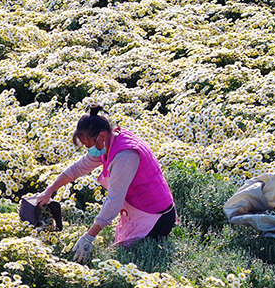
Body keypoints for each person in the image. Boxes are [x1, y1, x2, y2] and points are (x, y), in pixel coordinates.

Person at [24, 104, 177, 263]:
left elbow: (114, 201)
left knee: (123, 259)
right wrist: (49, 190)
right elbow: (78, 168)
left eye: (89, 145)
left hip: (156, 217)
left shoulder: (125, 157)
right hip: (139, 210)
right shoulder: (109, 141)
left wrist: (89, 237)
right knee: (116, 252)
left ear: (102, 136)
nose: (89, 150)